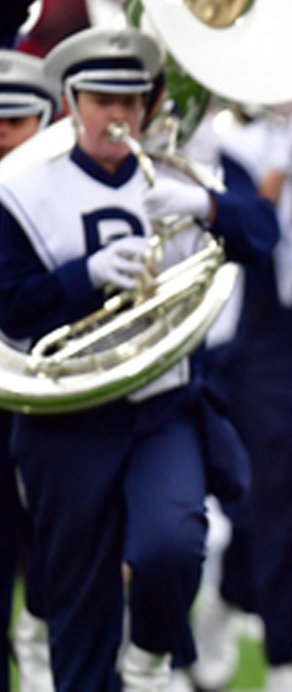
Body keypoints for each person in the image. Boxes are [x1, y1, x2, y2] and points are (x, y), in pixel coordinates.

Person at [0, 25, 279, 691]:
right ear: (70, 101)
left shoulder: (179, 177)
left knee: (171, 547)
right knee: (78, 602)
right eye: (101, 99)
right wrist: (85, 275)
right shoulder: (22, 192)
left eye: (131, 100)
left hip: (162, 408)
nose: (118, 116)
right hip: (66, 417)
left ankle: (152, 654)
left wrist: (209, 205)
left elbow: (265, 236)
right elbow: (12, 309)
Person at [0, 47, 57, 692]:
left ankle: (39, 627)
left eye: (14, 120)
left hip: (46, 395)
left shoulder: (62, 189)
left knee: (59, 537)